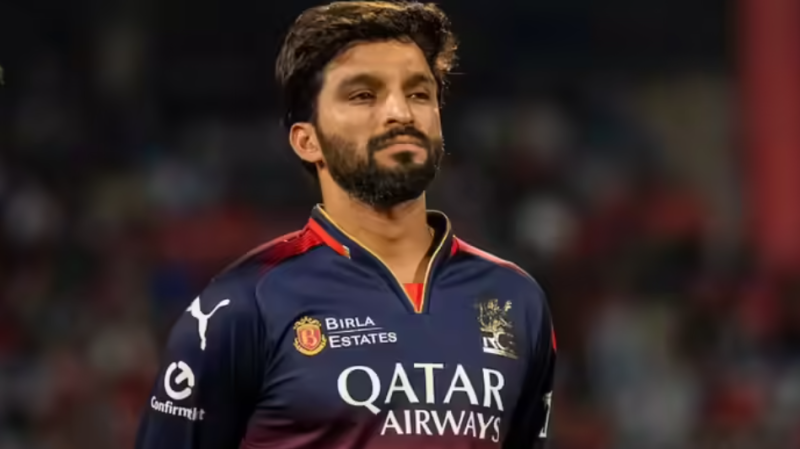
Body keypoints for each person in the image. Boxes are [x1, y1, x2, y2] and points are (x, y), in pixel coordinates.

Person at [135, 1, 556, 448]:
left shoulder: (517, 300)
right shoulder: (241, 306)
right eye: (363, 95)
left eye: (419, 93)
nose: (401, 113)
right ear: (307, 140)